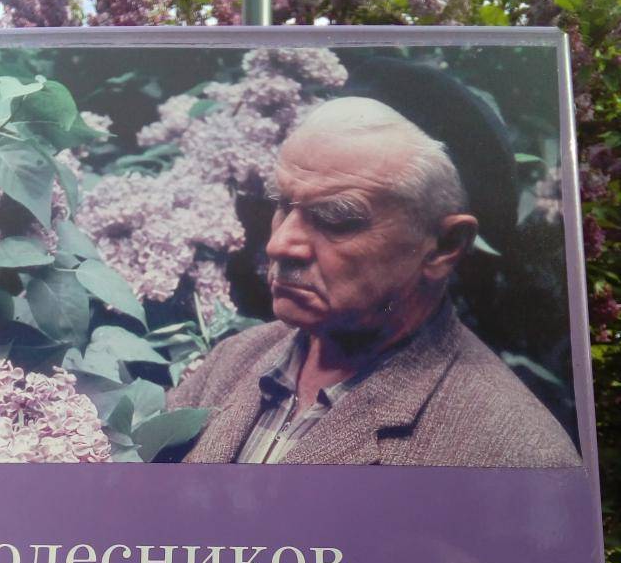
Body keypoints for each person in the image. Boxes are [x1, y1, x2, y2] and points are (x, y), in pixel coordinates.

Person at [169, 97, 580, 467]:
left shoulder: (514, 456)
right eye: (282, 204)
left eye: (336, 219)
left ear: (444, 246)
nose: (279, 245)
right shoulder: (233, 360)